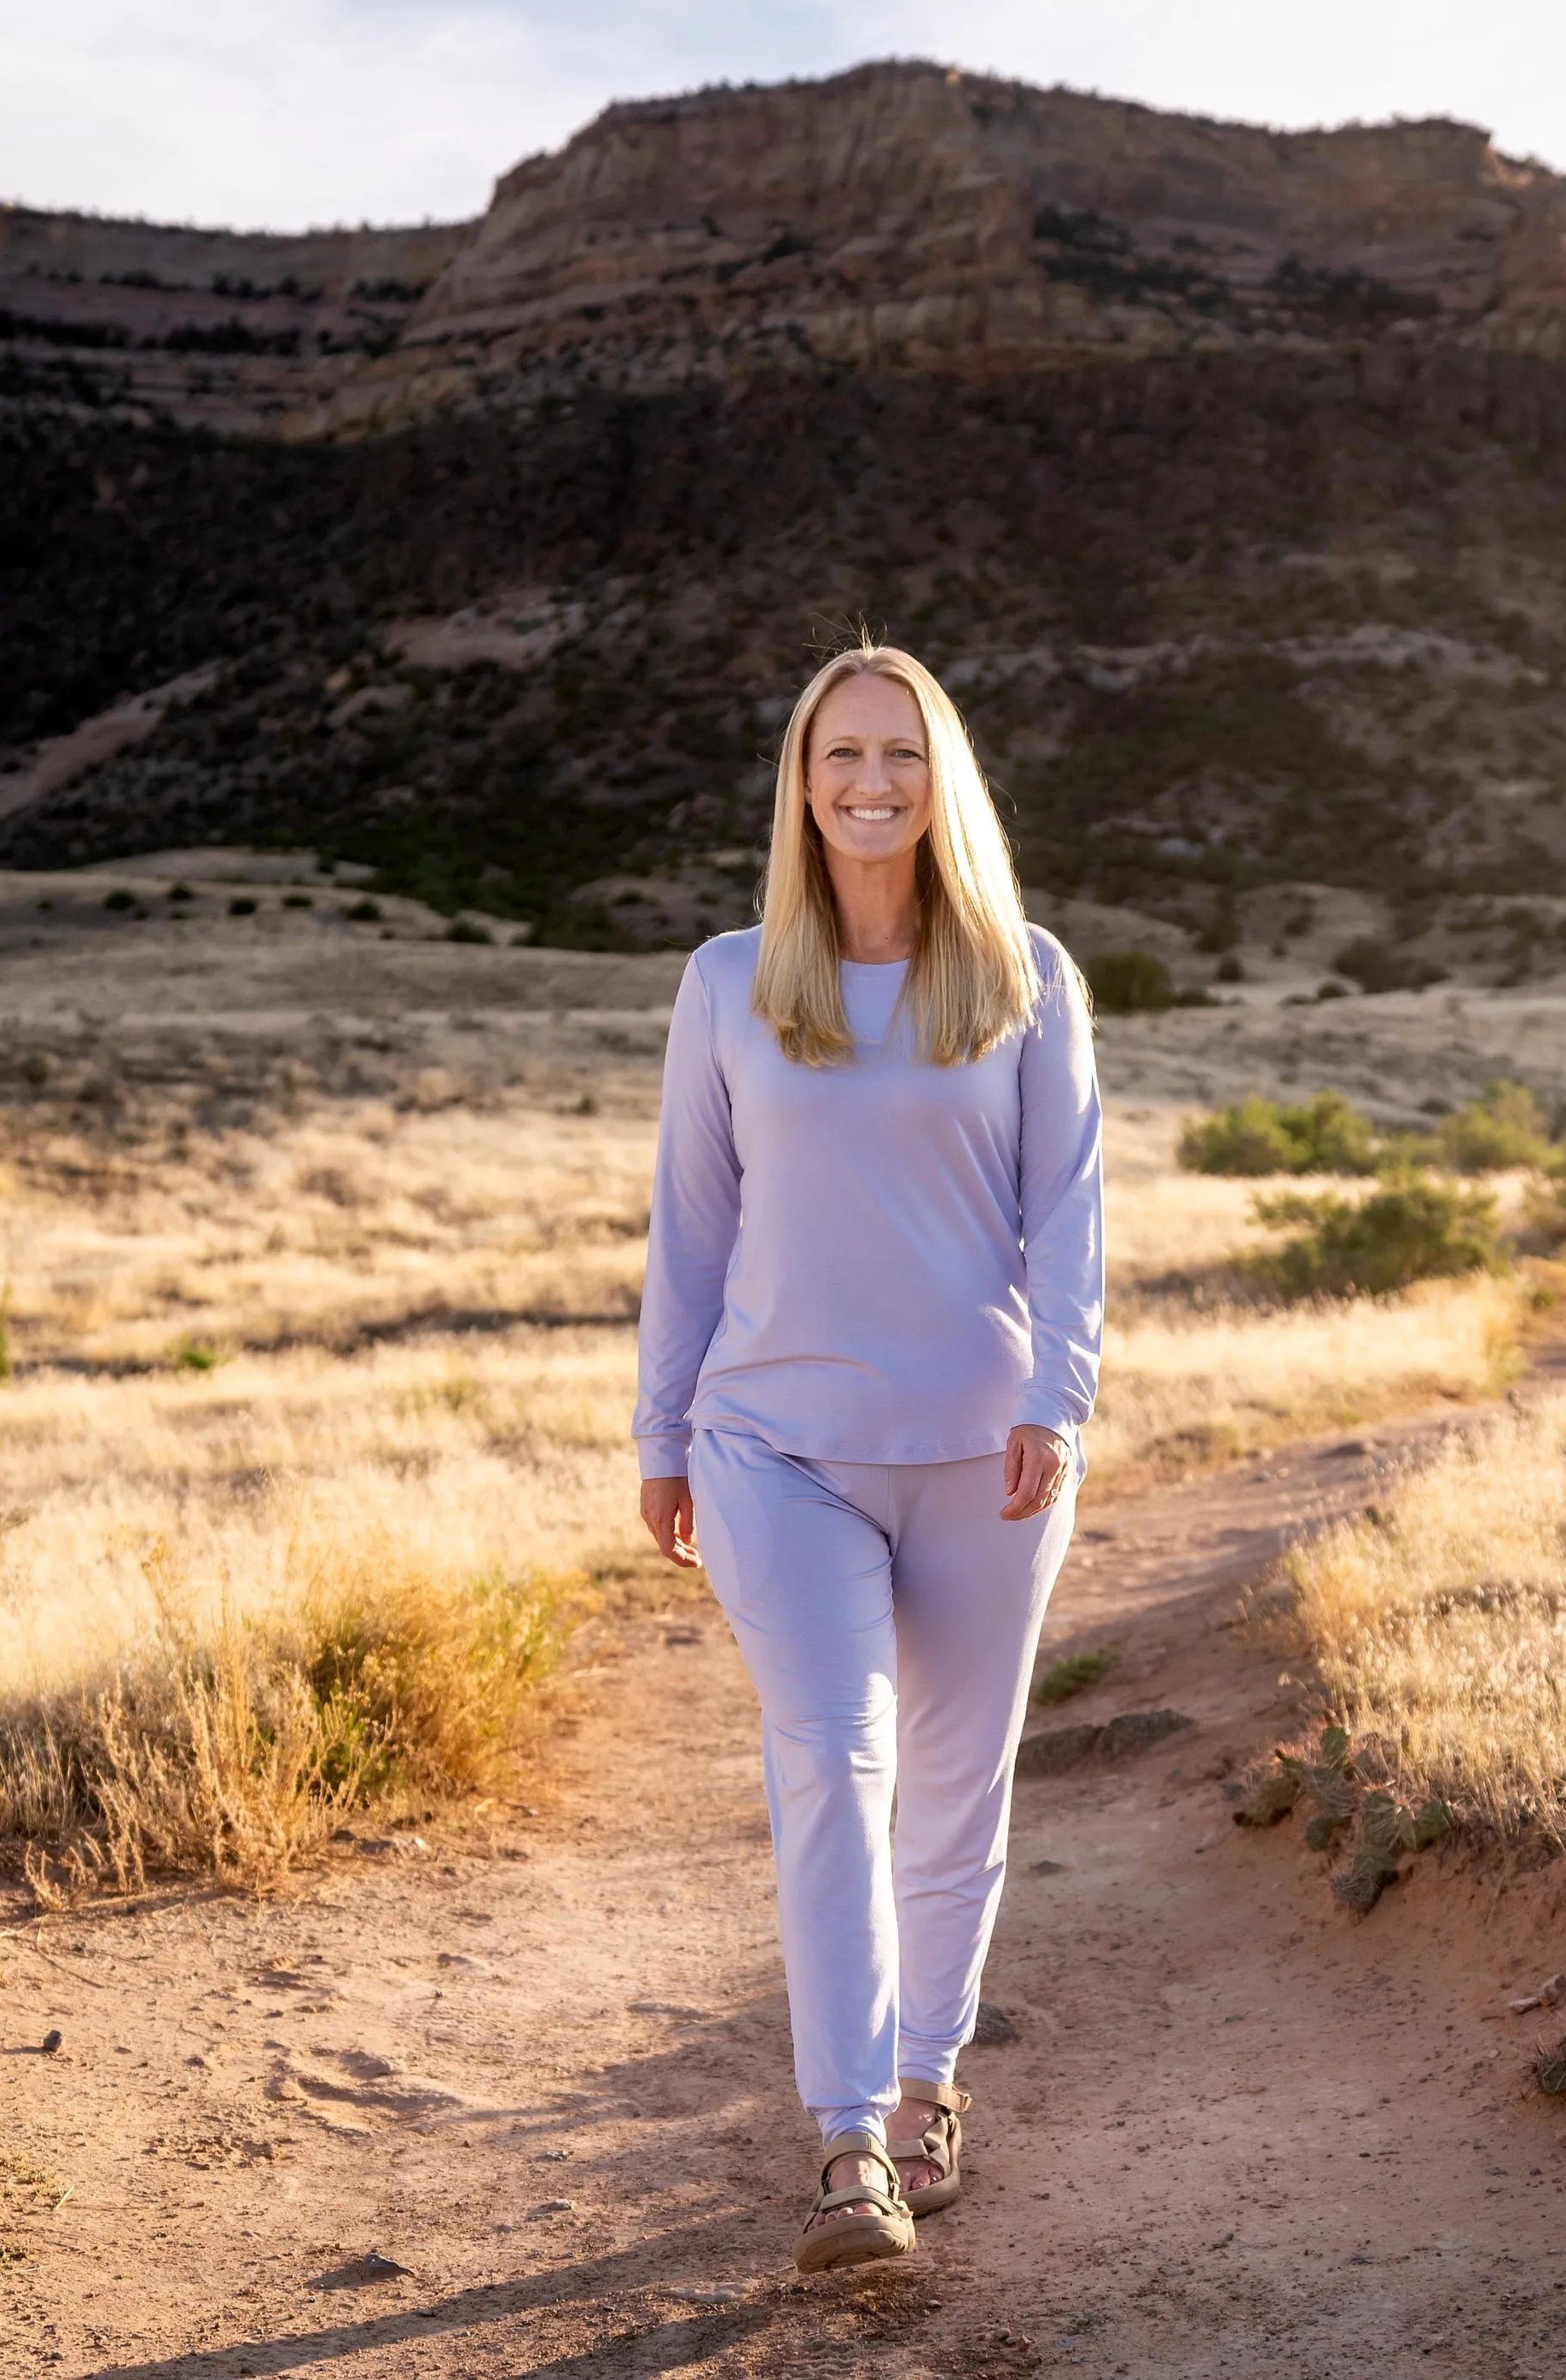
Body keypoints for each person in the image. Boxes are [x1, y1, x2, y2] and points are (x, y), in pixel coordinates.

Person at [635, 640, 1104, 2272]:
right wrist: (663, 1430)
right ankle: (847, 2149)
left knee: (957, 1790)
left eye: (900, 753)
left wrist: (1060, 1400)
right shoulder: (729, 983)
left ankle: (924, 2086)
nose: (870, 782)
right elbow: (690, 1234)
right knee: (832, 1762)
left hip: (986, 1454)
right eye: (840, 755)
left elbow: (1072, 1218)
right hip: (776, 1447)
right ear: (802, 780)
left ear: (942, 776)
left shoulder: (1027, 975)